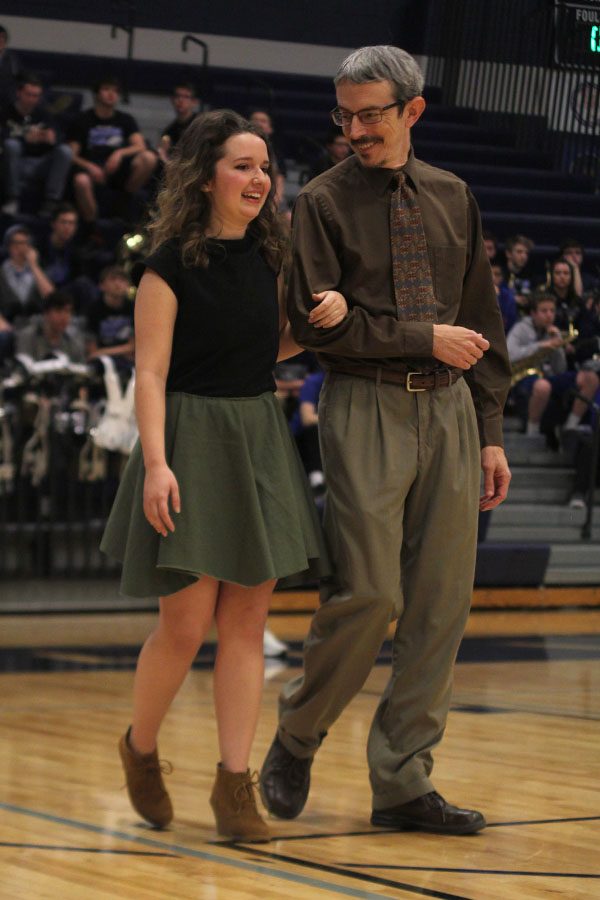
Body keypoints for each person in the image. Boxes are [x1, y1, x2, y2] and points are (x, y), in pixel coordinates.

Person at [259, 44, 512, 836]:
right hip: (364, 405)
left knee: (440, 608)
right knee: (370, 595)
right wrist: (421, 337)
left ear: (412, 111)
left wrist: (493, 432)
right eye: (346, 114)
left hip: (452, 414)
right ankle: (298, 735)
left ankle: (403, 780)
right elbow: (311, 325)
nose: (357, 129)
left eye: (371, 113)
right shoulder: (324, 201)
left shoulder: (454, 195)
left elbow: (482, 318)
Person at [99, 109, 347, 842]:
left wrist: (317, 320)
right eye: (244, 165)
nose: (260, 179)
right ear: (207, 175)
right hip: (185, 437)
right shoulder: (167, 262)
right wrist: (156, 463)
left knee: (247, 619)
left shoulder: (273, 257)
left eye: (266, 167)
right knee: (184, 625)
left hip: (255, 437)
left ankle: (233, 785)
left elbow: (264, 351)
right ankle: (140, 749)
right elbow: (149, 371)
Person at [507, 292, 598, 438]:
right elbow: (509, 355)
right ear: (533, 313)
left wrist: (558, 346)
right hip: (523, 377)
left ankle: (571, 426)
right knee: (543, 386)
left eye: (552, 311)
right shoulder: (521, 328)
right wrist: (541, 346)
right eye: (544, 311)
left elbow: (559, 369)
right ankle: (533, 430)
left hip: (547, 376)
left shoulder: (552, 331)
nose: (549, 315)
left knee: (591, 378)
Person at [67, 76, 158, 223]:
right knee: (81, 180)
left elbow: (140, 146)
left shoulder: (125, 119)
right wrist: (89, 167)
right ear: (97, 94)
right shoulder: (82, 119)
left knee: (149, 158)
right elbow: (71, 154)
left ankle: (124, 201)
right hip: (92, 167)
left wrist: (119, 153)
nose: (111, 94)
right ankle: (92, 226)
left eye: (115, 91)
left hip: (118, 168)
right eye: (106, 89)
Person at [1, 71, 73, 216]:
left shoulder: (43, 114)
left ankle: (51, 202)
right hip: (13, 163)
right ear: (19, 93)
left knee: (65, 151)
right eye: (29, 94)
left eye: (36, 96)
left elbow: (58, 138)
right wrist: (24, 139)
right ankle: (13, 198)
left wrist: (52, 139)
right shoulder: (5, 112)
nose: (32, 99)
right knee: (12, 146)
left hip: (39, 164)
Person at [15, 289, 85, 363]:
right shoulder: (28, 337)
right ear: (46, 314)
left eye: (67, 311)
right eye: (58, 311)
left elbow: (81, 368)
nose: (64, 317)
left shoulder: (73, 340)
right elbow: (22, 367)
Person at [157, 82, 199, 163]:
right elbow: (163, 154)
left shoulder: (201, 124)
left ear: (194, 102)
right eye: (177, 96)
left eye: (186, 97)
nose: (180, 100)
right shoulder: (169, 131)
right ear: (172, 100)